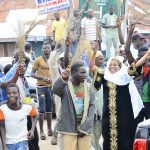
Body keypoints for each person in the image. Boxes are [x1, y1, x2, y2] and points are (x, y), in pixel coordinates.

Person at [92, 48, 150, 150]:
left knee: (124, 138)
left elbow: (137, 65)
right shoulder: (105, 75)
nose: (112, 67)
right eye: (110, 65)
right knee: (108, 137)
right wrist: (93, 53)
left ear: (120, 67)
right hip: (108, 115)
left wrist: (148, 53)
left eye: (115, 65)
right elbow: (92, 67)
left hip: (124, 114)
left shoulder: (125, 76)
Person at [53, 61, 95, 150]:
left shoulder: (88, 87)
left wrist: (85, 127)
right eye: (82, 72)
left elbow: (92, 106)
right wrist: (63, 78)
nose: (85, 75)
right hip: (68, 128)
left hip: (84, 128)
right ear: (74, 73)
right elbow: (55, 89)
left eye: (85, 72)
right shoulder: (65, 86)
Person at [0, 83, 38, 150]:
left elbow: (35, 115)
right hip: (8, 142)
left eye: (15, 93)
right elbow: (2, 126)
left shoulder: (26, 107)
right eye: (9, 93)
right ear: (6, 95)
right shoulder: (2, 109)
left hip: (22, 141)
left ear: (19, 94)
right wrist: (4, 145)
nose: (12, 95)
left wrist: (32, 130)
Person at [31, 41, 53, 140]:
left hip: (50, 87)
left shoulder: (53, 60)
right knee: (41, 110)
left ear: (50, 49)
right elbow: (32, 73)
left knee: (49, 110)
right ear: (42, 49)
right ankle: (41, 131)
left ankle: (49, 129)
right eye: (44, 48)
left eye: (48, 48)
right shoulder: (38, 60)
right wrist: (42, 78)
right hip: (41, 87)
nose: (46, 49)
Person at [89, 49, 105, 150]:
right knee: (94, 137)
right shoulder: (93, 72)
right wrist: (94, 53)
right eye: (99, 58)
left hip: (104, 111)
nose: (102, 60)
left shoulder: (105, 72)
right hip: (95, 112)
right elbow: (91, 67)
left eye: (102, 58)